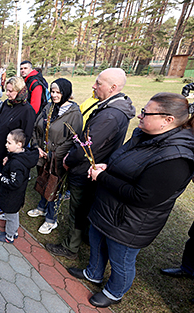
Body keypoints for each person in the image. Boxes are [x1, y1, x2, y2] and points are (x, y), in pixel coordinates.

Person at [67, 92, 194, 308]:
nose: (139, 116)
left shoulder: (177, 157)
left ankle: (114, 292)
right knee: (97, 241)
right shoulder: (143, 134)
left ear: (167, 120)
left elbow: (143, 197)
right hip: (108, 207)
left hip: (130, 221)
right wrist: (108, 167)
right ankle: (93, 273)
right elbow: (127, 164)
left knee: (121, 259)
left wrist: (104, 177)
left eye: (146, 113)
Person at [46, 68, 135, 260]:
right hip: (93, 168)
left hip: (85, 171)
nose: (93, 86)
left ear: (112, 88)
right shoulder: (112, 108)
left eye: (98, 83)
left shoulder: (110, 115)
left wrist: (68, 160)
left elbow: (88, 146)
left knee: (77, 210)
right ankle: (83, 237)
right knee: (85, 207)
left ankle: (71, 247)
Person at [29, 78, 83, 234]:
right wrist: (37, 147)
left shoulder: (74, 113)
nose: (54, 95)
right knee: (43, 180)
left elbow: (74, 139)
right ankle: (41, 207)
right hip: (42, 154)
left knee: (54, 186)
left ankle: (51, 219)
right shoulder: (49, 107)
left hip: (58, 159)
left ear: (65, 93)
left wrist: (54, 154)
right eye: (52, 91)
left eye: (58, 92)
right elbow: (36, 127)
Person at [0, 76, 36, 197]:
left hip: (10, 152)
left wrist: (11, 155)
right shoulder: (6, 103)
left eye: (10, 91)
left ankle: (1, 191)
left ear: (19, 91)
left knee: (6, 176)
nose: (7, 94)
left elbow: (26, 136)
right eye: (7, 90)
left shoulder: (27, 110)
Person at [0, 129, 39, 244]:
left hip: (13, 195)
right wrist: (8, 158)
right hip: (16, 195)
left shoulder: (17, 164)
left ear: (19, 145)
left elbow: (14, 183)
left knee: (11, 215)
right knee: (13, 214)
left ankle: (9, 236)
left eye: (9, 143)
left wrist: (0, 178)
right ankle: (14, 231)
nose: (6, 145)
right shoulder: (20, 155)